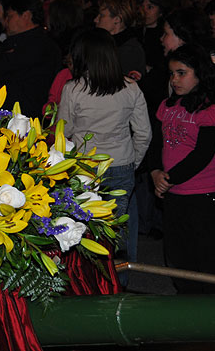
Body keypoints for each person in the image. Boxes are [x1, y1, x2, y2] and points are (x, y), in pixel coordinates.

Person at [58, 28, 151, 277]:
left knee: (84, 230)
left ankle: (89, 282)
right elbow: (143, 133)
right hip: (121, 164)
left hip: (84, 169)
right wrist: (133, 161)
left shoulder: (73, 89)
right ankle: (119, 282)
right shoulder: (130, 88)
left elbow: (63, 134)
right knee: (117, 231)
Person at [149, 44, 215, 293]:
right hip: (174, 195)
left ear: (200, 74)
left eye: (182, 73)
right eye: (172, 74)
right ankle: (186, 306)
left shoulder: (212, 111)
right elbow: (156, 145)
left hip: (204, 196)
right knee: (178, 257)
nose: (175, 80)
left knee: (208, 259)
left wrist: (169, 178)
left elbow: (201, 155)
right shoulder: (168, 107)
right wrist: (155, 173)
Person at [0, 0, 62, 117]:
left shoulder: (38, 44)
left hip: (26, 114)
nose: (6, 21)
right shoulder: (27, 41)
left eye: (10, 16)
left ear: (26, 16)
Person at [95, 0, 146, 81]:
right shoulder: (105, 44)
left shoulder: (130, 51)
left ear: (117, 20)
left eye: (101, 15)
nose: (95, 20)